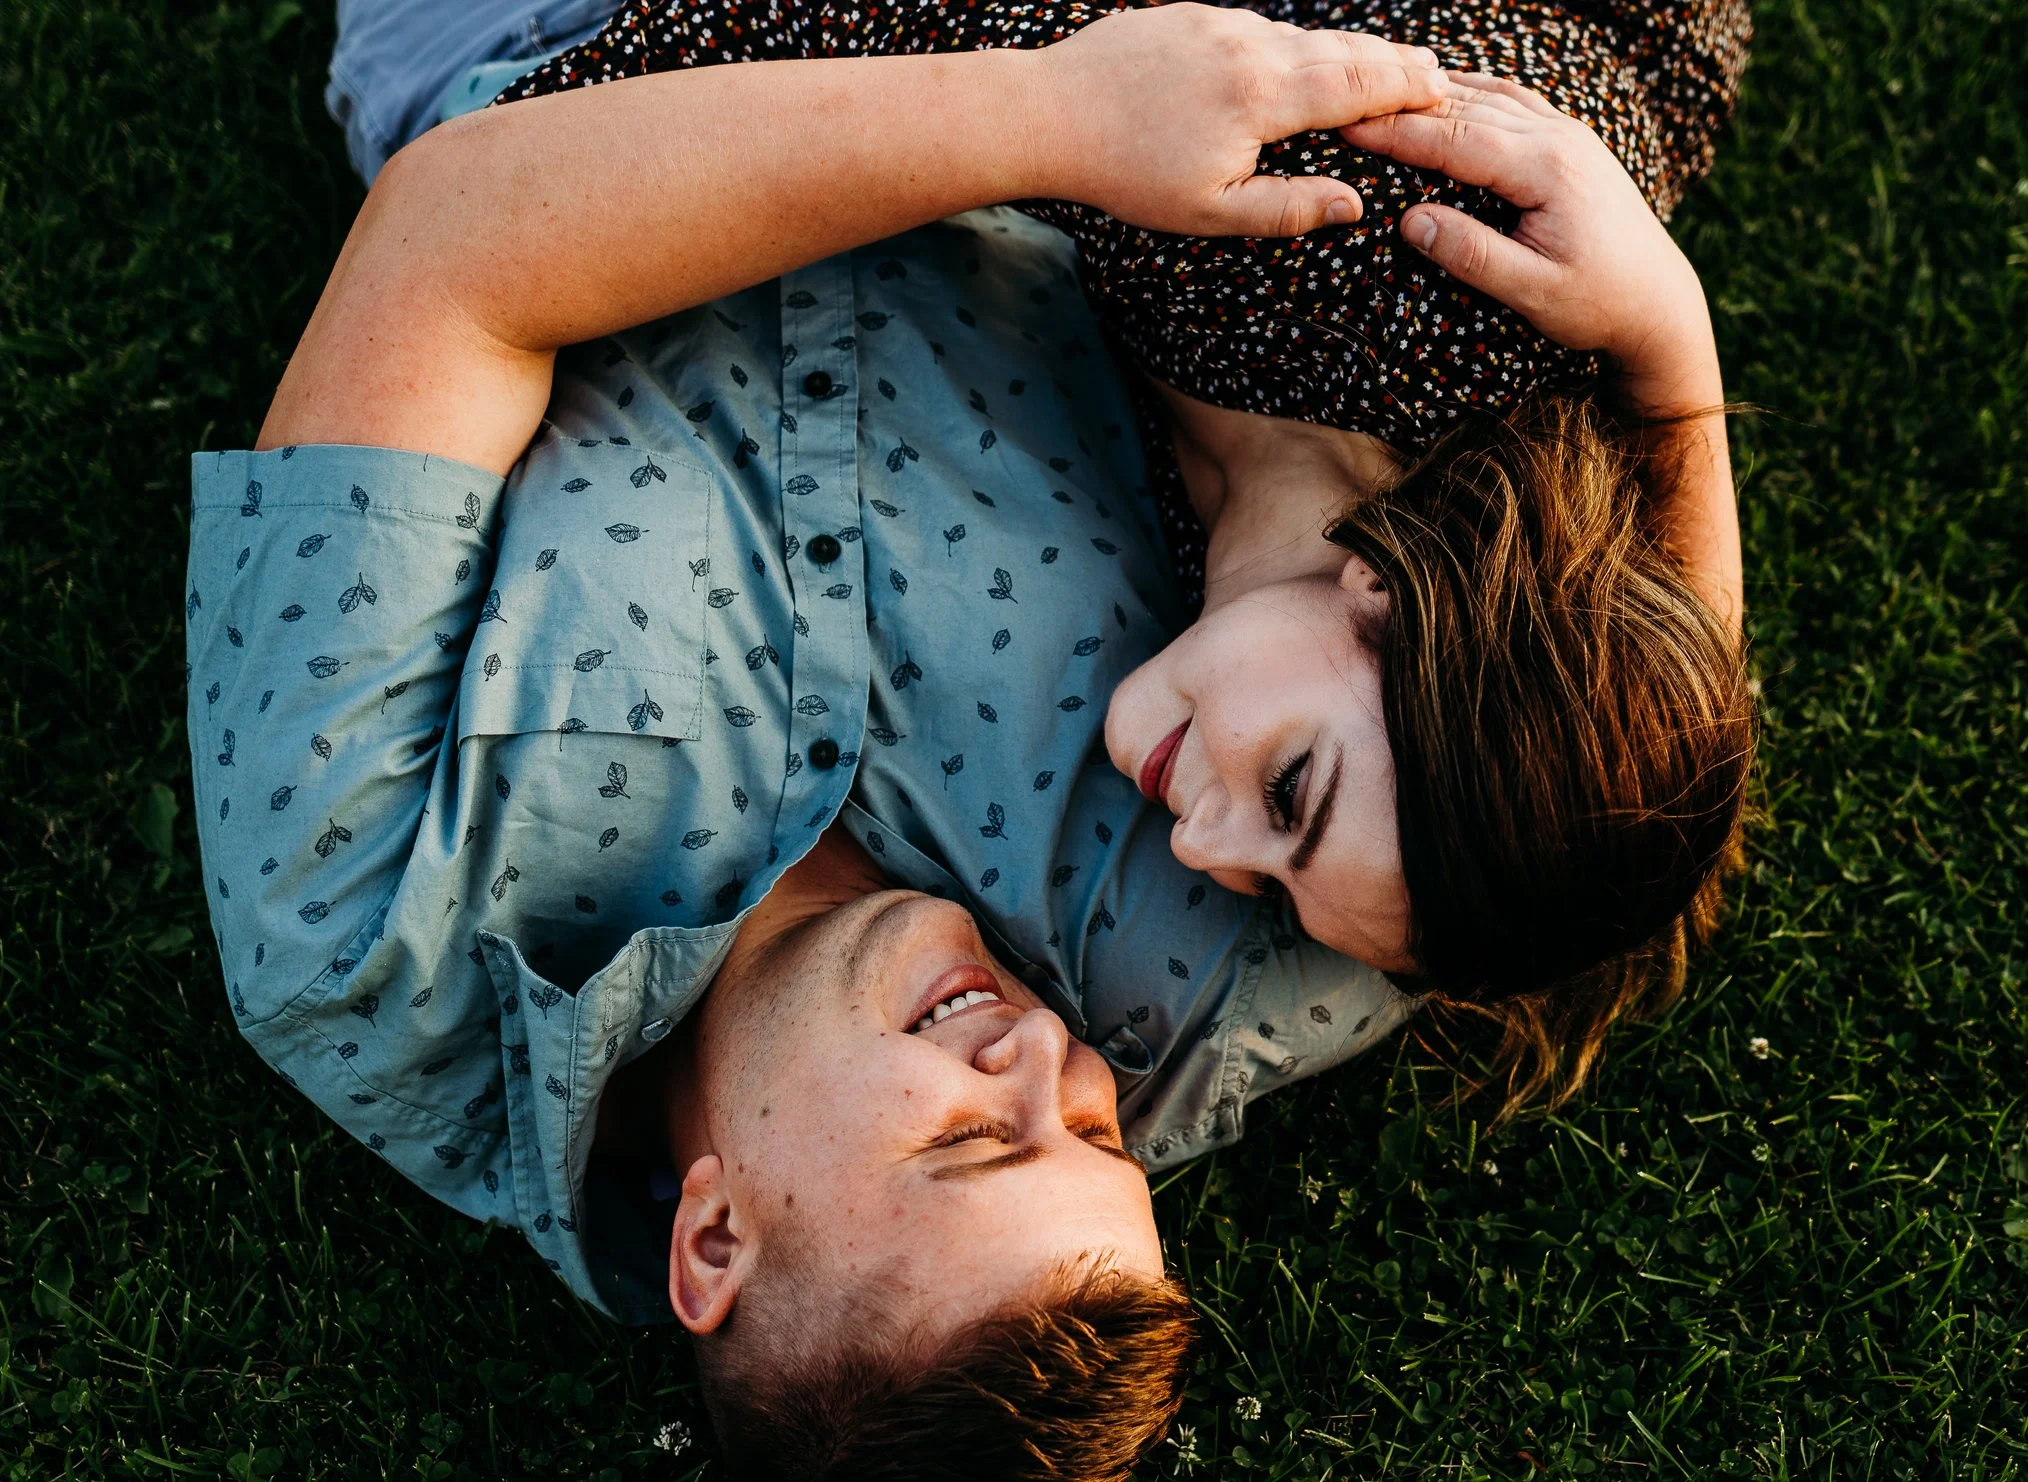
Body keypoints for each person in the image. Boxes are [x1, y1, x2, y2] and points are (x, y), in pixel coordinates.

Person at [188, 3, 1447, 1482]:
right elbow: (1596, 800)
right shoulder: (1216, 943)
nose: (1041, 1054)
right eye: (1094, 1139)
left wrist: (1051, 110)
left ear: (714, 1235)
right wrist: (1674, 380)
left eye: (973, 1142)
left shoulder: (363, 922)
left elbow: (452, 247)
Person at [499, 0, 1760, 1103]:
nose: (1205, 852)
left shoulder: (1305, 563)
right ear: (1388, 599)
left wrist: (1674, 354)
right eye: (1285, 796)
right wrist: (517, 171)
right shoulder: (1371, 264)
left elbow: (1636, 759)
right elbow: (884, 28)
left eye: (1266, 891)